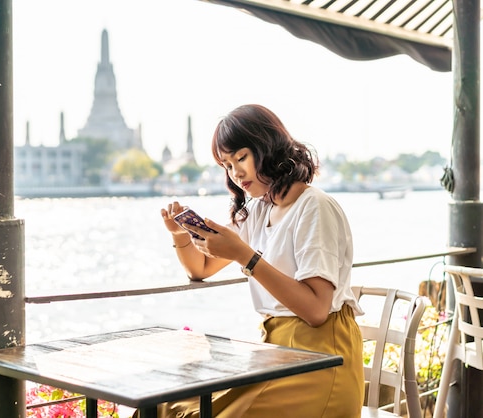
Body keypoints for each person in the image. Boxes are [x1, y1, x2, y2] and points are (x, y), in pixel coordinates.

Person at [156, 104, 364, 417]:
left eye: (241, 158)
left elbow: (317, 310)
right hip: (276, 353)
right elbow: (200, 269)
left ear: (268, 148)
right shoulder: (259, 209)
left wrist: (245, 255)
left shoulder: (314, 207)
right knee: (168, 407)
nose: (235, 173)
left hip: (322, 361)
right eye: (226, 165)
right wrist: (180, 234)